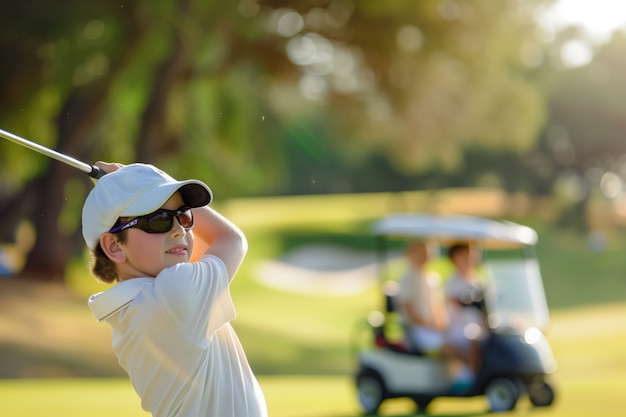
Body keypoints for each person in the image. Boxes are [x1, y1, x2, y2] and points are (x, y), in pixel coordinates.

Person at [81, 162, 267, 417]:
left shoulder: (133, 305)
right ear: (114, 246)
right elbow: (230, 238)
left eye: (183, 215)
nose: (179, 229)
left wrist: (141, 183)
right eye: (158, 220)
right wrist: (140, 178)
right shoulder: (172, 293)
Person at [444, 242, 488, 387]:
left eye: (469, 256)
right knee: (473, 335)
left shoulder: (477, 280)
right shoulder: (452, 282)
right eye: (463, 257)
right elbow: (456, 304)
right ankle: (471, 376)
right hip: (458, 327)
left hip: (476, 325)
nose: (468, 260)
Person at [396, 241, 448, 355]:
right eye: (419, 252)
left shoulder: (432, 278)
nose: (423, 256)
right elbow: (409, 310)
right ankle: (463, 373)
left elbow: (436, 306)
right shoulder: (407, 279)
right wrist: (429, 325)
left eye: (426, 253)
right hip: (416, 329)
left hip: (431, 327)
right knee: (448, 347)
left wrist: (440, 325)